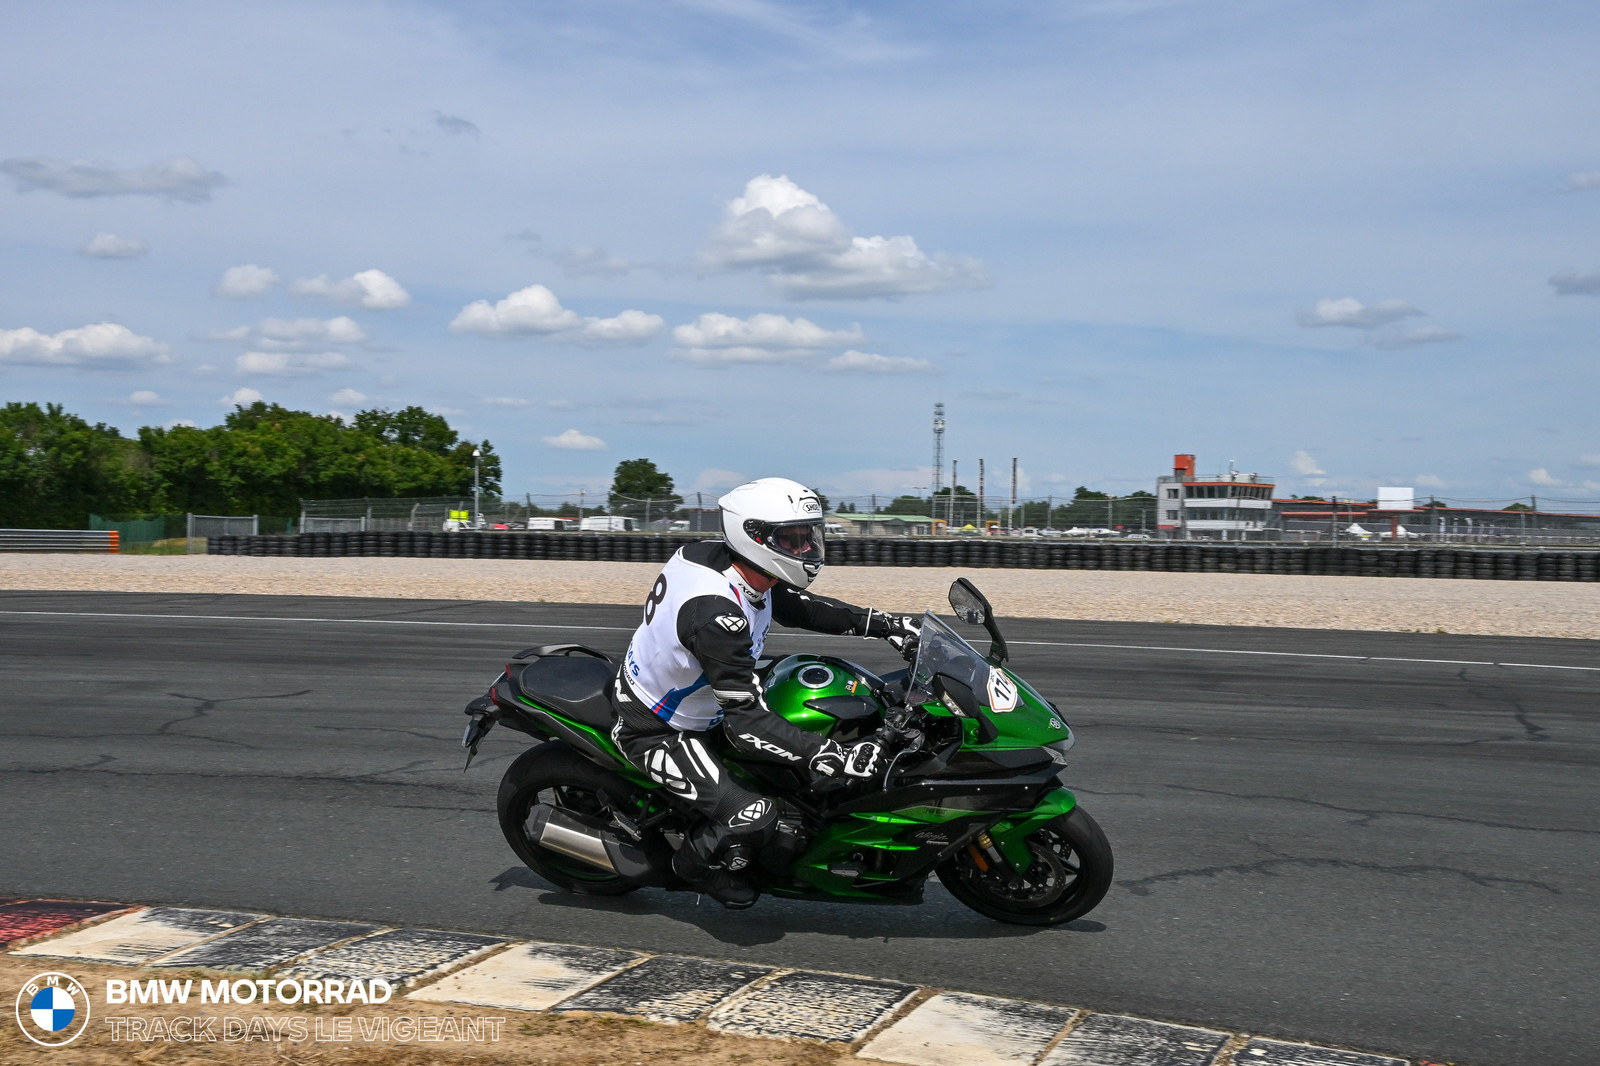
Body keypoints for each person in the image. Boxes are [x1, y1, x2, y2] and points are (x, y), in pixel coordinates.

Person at [609, 477, 919, 908]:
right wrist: (827, 753)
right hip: (660, 727)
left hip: (702, 694)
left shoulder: (727, 563)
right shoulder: (718, 617)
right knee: (754, 815)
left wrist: (889, 625)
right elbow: (744, 722)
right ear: (752, 536)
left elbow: (798, 606)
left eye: (808, 537)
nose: (806, 550)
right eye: (791, 540)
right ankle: (693, 867)